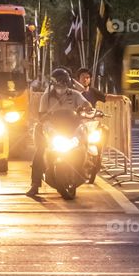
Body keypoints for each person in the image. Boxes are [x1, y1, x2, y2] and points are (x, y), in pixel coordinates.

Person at [27, 67, 92, 198]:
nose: (61, 85)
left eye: (64, 82)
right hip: (53, 130)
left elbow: (86, 104)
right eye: (58, 82)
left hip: (71, 129)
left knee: (86, 143)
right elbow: (42, 115)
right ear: (53, 83)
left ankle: (88, 166)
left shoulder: (74, 94)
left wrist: (87, 108)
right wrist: (44, 118)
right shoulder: (46, 97)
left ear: (67, 82)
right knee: (40, 151)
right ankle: (35, 185)